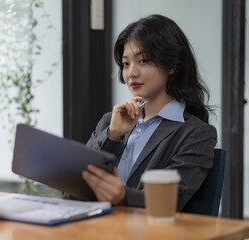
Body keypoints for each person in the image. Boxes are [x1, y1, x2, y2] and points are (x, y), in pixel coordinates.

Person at [81, 14, 217, 211]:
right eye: (126, 64)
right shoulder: (110, 122)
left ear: (172, 66)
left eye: (143, 60)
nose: (131, 73)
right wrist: (112, 136)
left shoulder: (196, 134)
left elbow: (170, 201)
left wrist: (121, 196)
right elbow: (73, 192)